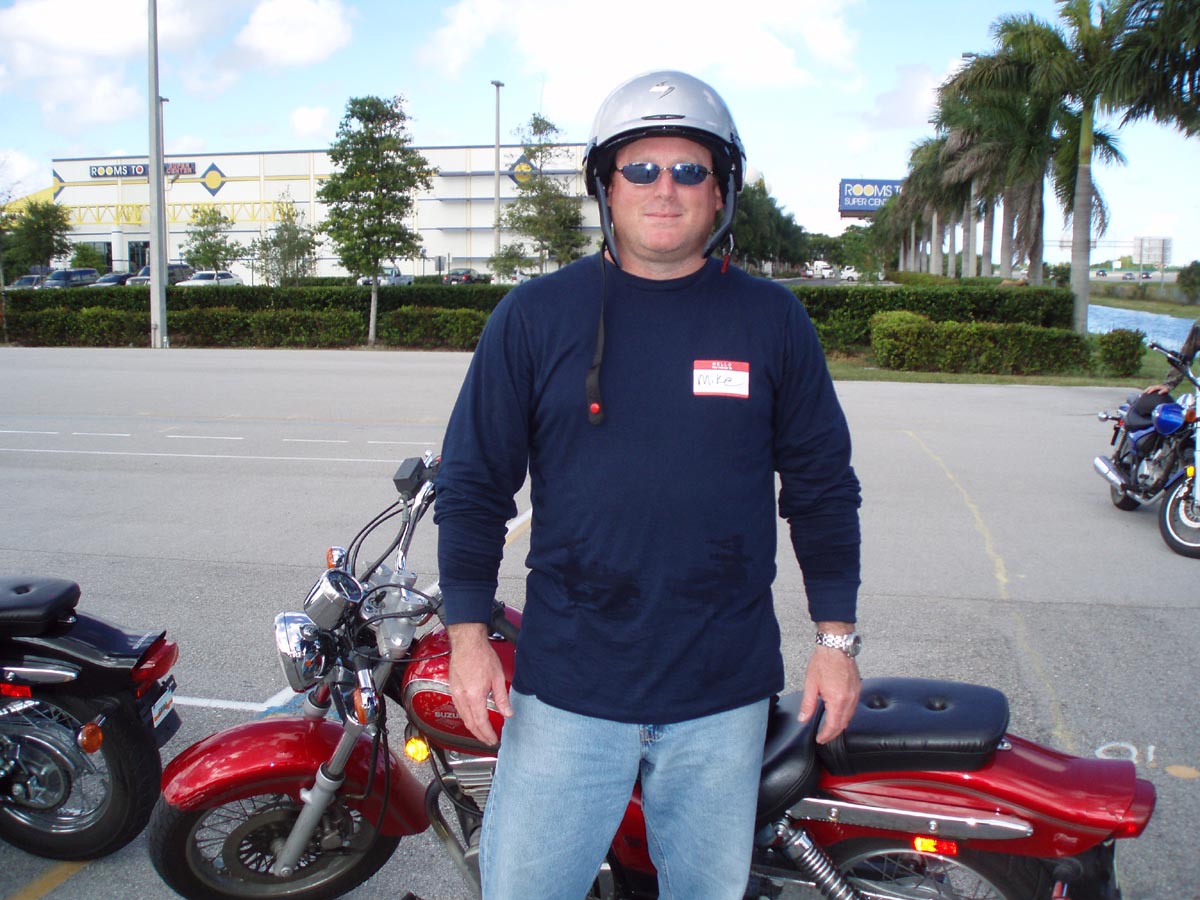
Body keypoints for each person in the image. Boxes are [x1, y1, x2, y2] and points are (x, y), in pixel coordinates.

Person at [434, 70, 863, 900]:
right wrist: (467, 635)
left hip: (721, 694)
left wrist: (836, 642)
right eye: (641, 168)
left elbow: (822, 487)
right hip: (567, 688)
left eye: (690, 170)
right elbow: (475, 483)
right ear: (607, 186)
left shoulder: (772, 319)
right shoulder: (534, 316)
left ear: (720, 191)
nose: (665, 188)